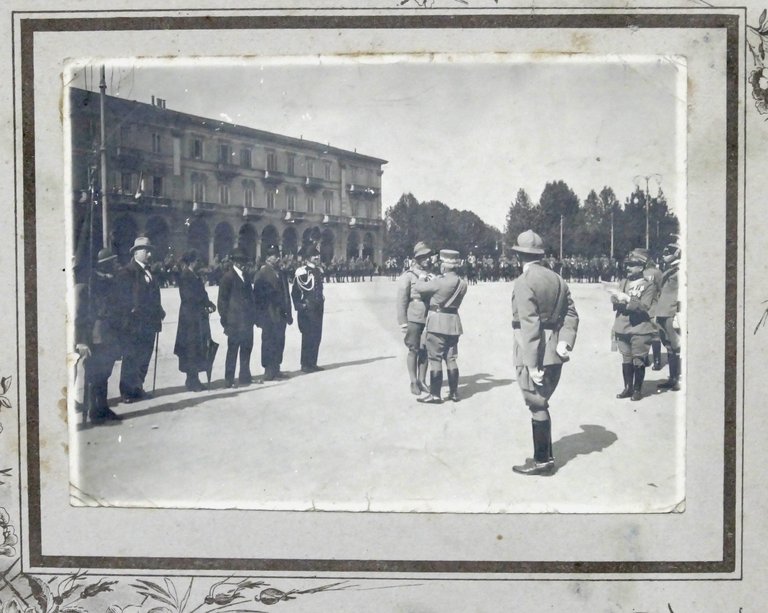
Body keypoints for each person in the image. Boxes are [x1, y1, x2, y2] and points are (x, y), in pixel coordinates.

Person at [510, 230, 579, 476]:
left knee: (536, 403)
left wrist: (530, 363)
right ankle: (546, 457)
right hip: (555, 348)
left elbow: (529, 324)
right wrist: (566, 341)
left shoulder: (524, 281)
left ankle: (541, 462)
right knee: (542, 401)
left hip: (532, 350)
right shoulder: (558, 279)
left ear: (518, 256)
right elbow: (571, 314)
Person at [76, 248, 124, 424]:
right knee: (94, 373)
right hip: (97, 335)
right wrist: (82, 340)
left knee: (105, 373)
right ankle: (94, 411)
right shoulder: (91, 284)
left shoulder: (112, 280)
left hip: (111, 333)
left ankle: (103, 407)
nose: (116, 264)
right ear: (105, 265)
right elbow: (82, 315)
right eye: (113, 262)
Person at [414, 249, 468, 404]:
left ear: (444, 266)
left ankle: (435, 395)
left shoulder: (438, 281)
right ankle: (454, 393)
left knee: (435, 358)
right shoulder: (462, 283)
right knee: (451, 358)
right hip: (453, 323)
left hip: (437, 323)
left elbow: (419, 288)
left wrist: (422, 277)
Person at [117, 237, 166, 403]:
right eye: (146, 251)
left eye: (150, 251)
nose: (150, 254)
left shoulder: (150, 272)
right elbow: (122, 299)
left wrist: (159, 310)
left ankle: (138, 388)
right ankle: (126, 392)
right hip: (134, 325)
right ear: (136, 252)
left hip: (150, 324)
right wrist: (130, 312)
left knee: (144, 357)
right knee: (131, 358)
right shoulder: (127, 272)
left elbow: (154, 296)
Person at [612, 248, 658, 402]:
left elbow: (644, 306)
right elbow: (615, 300)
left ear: (641, 267)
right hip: (622, 326)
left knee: (638, 359)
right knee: (626, 358)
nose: (628, 268)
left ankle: (637, 389)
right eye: (627, 265)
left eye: (632, 265)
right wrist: (615, 298)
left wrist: (627, 300)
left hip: (639, 327)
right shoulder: (624, 282)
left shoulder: (648, 285)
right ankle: (628, 388)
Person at [174, 249, 216, 391]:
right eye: (198, 260)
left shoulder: (195, 276)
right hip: (189, 320)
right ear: (191, 262)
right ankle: (192, 380)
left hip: (197, 318)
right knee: (191, 349)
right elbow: (188, 297)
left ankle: (194, 379)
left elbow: (202, 294)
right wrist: (203, 304)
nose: (200, 263)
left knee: (197, 348)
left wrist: (209, 303)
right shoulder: (185, 276)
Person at [396, 241, 434, 395]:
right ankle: (413, 381)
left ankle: (422, 380)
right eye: (423, 257)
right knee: (413, 349)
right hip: (414, 317)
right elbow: (401, 300)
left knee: (426, 349)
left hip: (429, 316)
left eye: (428, 256)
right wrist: (403, 322)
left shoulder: (431, 274)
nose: (427, 259)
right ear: (417, 259)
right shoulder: (408, 276)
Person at [253, 244, 294, 381]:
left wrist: (289, 313)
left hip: (281, 314)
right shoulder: (262, 273)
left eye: (278, 255)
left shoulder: (281, 272)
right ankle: (268, 370)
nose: (277, 258)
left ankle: (276, 368)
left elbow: (286, 294)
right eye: (274, 255)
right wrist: (260, 317)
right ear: (268, 257)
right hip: (269, 315)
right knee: (268, 341)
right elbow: (257, 296)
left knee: (280, 341)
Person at [217, 247, 255, 387]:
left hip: (247, 321)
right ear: (234, 262)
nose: (242, 263)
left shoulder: (246, 276)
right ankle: (229, 379)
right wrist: (225, 320)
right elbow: (222, 301)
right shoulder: (228, 277)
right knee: (232, 350)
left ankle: (245, 375)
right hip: (234, 322)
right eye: (240, 261)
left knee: (246, 348)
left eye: (244, 261)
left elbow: (250, 297)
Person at [291, 246, 325, 372]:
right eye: (314, 255)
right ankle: (305, 364)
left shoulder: (319, 270)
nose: (317, 257)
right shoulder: (302, 272)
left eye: (317, 255)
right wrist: (300, 305)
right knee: (307, 336)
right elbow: (295, 292)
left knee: (317, 336)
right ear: (308, 258)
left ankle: (313, 363)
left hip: (318, 308)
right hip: (308, 309)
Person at [655, 241, 682, 391]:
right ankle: (672, 378)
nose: (664, 255)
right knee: (669, 346)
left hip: (672, 312)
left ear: (677, 253)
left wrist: (679, 312)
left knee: (677, 346)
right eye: (664, 253)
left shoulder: (681, 271)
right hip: (662, 312)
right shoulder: (669, 270)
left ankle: (679, 379)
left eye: (668, 253)